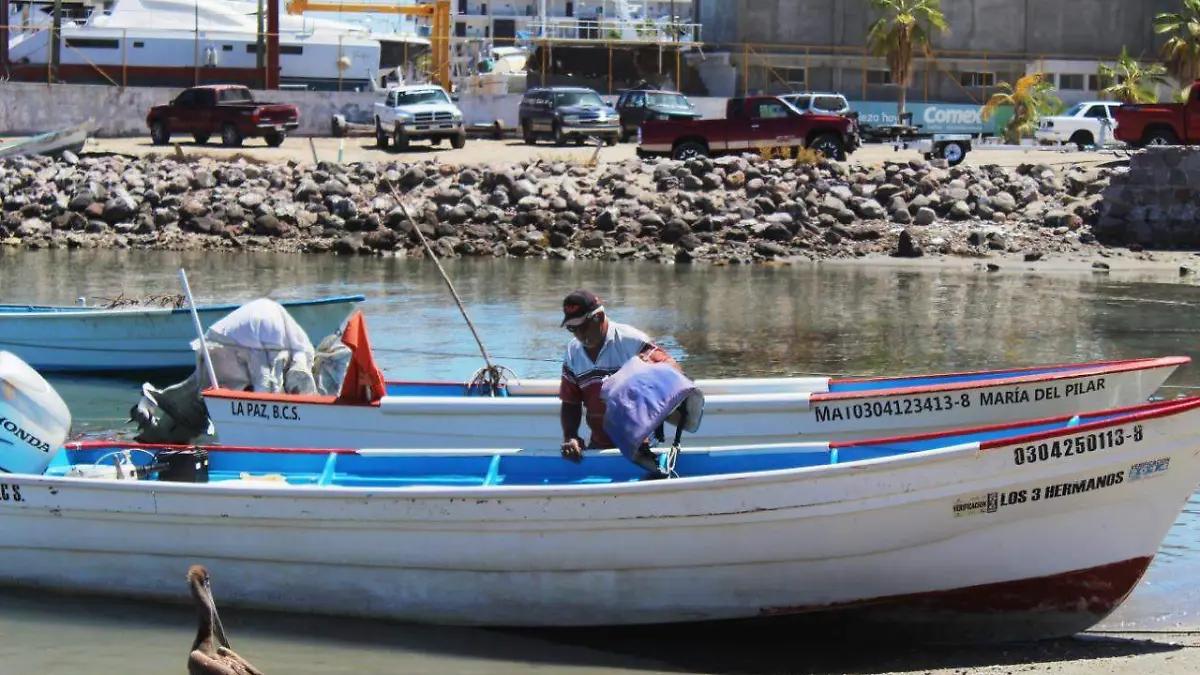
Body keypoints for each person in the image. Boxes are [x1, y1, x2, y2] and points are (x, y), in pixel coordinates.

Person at [558, 289, 680, 463]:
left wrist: (641, 375)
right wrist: (570, 436)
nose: (578, 334)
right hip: (600, 447)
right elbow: (571, 402)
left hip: (643, 448)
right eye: (572, 328)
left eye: (582, 327)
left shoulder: (632, 341)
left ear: (598, 317)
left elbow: (674, 371)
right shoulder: (573, 351)